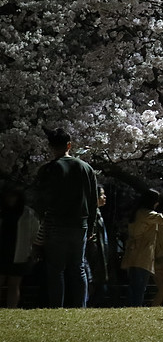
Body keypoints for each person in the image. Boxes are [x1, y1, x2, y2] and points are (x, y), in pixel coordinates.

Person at [34, 127, 98, 308]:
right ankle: (80, 306)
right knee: (78, 268)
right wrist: (91, 227)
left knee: (56, 269)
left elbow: (40, 199)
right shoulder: (86, 168)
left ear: (51, 146)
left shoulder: (48, 169)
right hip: (80, 224)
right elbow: (93, 202)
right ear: (69, 144)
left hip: (56, 223)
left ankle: (56, 306)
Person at [0, 184, 40, 308]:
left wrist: (33, 251)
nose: (11, 199)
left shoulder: (28, 213)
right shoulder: (2, 212)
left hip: (19, 252)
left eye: (13, 196)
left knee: (14, 283)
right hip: (3, 250)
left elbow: (35, 232)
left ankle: (11, 309)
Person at [84, 185, 110, 306]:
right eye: (101, 194)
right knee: (94, 286)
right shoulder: (92, 215)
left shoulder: (97, 213)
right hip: (93, 254)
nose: (104, 197)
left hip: (98, 254)